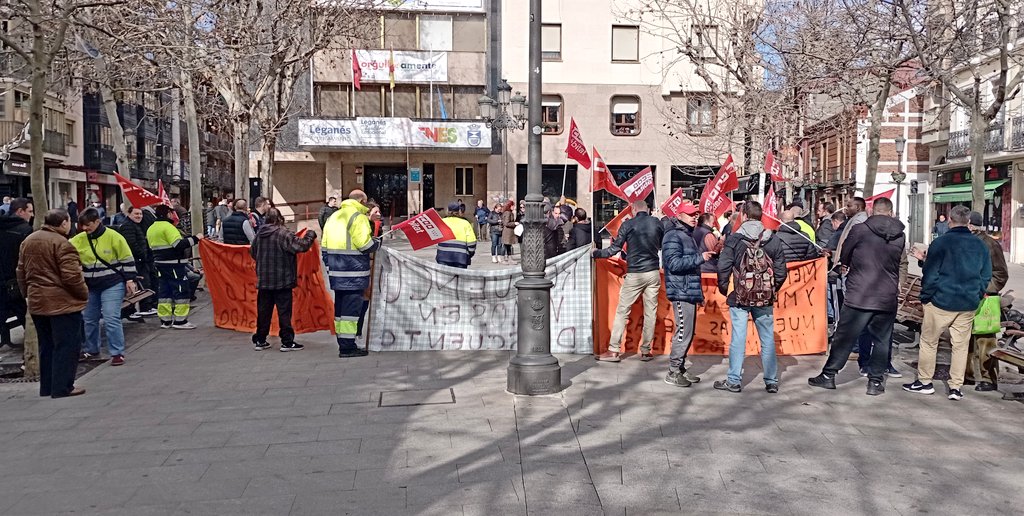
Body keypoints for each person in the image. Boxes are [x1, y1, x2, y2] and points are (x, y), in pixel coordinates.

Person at [808, 198, 906, 395]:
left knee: (845, 336)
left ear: (871, 210)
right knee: (881, 340)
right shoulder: (900, 235)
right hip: (886, 294)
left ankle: (829, 375)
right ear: (891, 212)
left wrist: (847, 262)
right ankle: (875, 382)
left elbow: (846, 253)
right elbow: (899, 261)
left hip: (860, 292)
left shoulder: (860, 229)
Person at [904, 205, 991, 400]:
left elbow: (931, 273)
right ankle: (955, 387)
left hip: (941, 301)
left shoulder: (941, 243)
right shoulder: (980, 245)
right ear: (968, 222)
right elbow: (986, 275)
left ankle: (925, 381)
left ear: (950, 221)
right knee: (960, 346)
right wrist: (977, 294)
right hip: (967, 302)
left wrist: (927, 296)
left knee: (929, 342)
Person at [713, 201, 787, 393]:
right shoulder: (773, 239)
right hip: (765, 297)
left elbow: (723, 267)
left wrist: (724, 289)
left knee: (738, 336)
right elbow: (781, 270)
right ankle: (771, 381)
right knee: (767, 338)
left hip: (740, 296)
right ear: (761, 216)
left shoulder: (734, 239)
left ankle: (734, 380)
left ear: (744, 216)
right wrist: (772, 289)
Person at [17, 209, 89, 397]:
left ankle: (47, 386)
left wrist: (27, 293)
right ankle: (63, 387)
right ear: (64, 223)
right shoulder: (63, 244)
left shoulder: (29, 240)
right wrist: (83, 294)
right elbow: (72, 276)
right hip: (61, 302)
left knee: (46, 344)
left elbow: (21, 271)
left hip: (37, 301)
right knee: (66, 345)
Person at [593, 199, 664, 362]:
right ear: (647, 210)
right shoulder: (657, 223)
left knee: (622, 311)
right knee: (650, 312)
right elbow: (662, 244)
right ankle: (646, 351)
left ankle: (613, 350)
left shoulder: (628, 224)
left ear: (633, 209)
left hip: (635, 272)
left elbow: (615, 248)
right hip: (653, 271)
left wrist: (596, 253)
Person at [70, 208, 137, 366]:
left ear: (97, 221)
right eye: (83, 226)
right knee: (89, 319)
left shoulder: (114, 237)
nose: (85, 228)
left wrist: (130, 280)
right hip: (90, 285)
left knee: (110, 317)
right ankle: (92, 349)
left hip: (112, 283)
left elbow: (126, 258)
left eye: (88, 225)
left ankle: (117, 353)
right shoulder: (78, 239)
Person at [322, 190, 381, 358]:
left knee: (340, 310)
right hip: (353, 271)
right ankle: (348, 346)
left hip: (336, 271)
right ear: (362, 201)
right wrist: (376, 243)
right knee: (350, 311)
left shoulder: (333, 217)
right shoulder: (358, 217)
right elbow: (364, 245)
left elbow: (324, 246)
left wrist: (329, 266)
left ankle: (343, 341)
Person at [662, 201, 713, 387]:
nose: (694, 217)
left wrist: (697, 294)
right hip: (680, 290)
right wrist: (701, 258)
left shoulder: (685, 234)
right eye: (690, 214)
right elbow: (674, 264)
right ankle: (673, 371)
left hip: (687, 289)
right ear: (679, 215)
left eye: (695, 214)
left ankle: (680, 367)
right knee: (683, 332)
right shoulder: (674, 235)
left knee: (688, 332)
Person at [250, 208, 316, 352]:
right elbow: (302, 246)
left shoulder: (259, 235)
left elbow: (253, 253)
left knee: (264, 312)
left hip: (264, 280)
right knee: (284, 313)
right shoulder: (283, 233)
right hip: (282, 280)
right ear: (279, 219)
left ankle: (260, 340)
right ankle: (287, 342)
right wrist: (310, 235)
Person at [965, 211, 1008, 392]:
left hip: (986, 298)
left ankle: (988, 378)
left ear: (970, 224)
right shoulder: (965, 241)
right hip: (967, 296)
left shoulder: (990, 244)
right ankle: (966, 374)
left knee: (985, 340)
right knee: (965, 338)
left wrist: (984, 289)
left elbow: (1001, 274)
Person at [147, 204, 202, 329]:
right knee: (181, 291)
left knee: (164, 293)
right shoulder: (168, 227)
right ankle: (180, 320)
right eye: (172, 213)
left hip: (160, 264)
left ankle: (165, 320)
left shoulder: (151, 228)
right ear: (168, 214)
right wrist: (196, 238)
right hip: (174, 264)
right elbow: (178, 244)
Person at [0, 198, 33, 348]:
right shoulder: (25, 230)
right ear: (20, 212)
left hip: (3, 279)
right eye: (30, 211)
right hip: (16, 280)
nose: (31, 215)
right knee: (25, 314)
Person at [116, 207, 158, 320]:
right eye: (136, 214)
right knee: (140, 284)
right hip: (136, 261)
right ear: (129, 214)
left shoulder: (136, 226)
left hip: (140, 260)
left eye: (140, 214)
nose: (139, 216)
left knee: (144, 283)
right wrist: (142, 255)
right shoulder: (128, 226)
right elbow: (132, 244)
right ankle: (135, 309)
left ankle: (143, 307)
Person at [436, 201, 477, 269]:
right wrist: (469, 254)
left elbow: (436, 238)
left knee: (444, 279)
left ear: (448, 211)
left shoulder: (442, 222)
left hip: (443, 256)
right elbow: (471, 243)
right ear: (459, 211)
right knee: (459, 279)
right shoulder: (465, 223)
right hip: (460, 258)